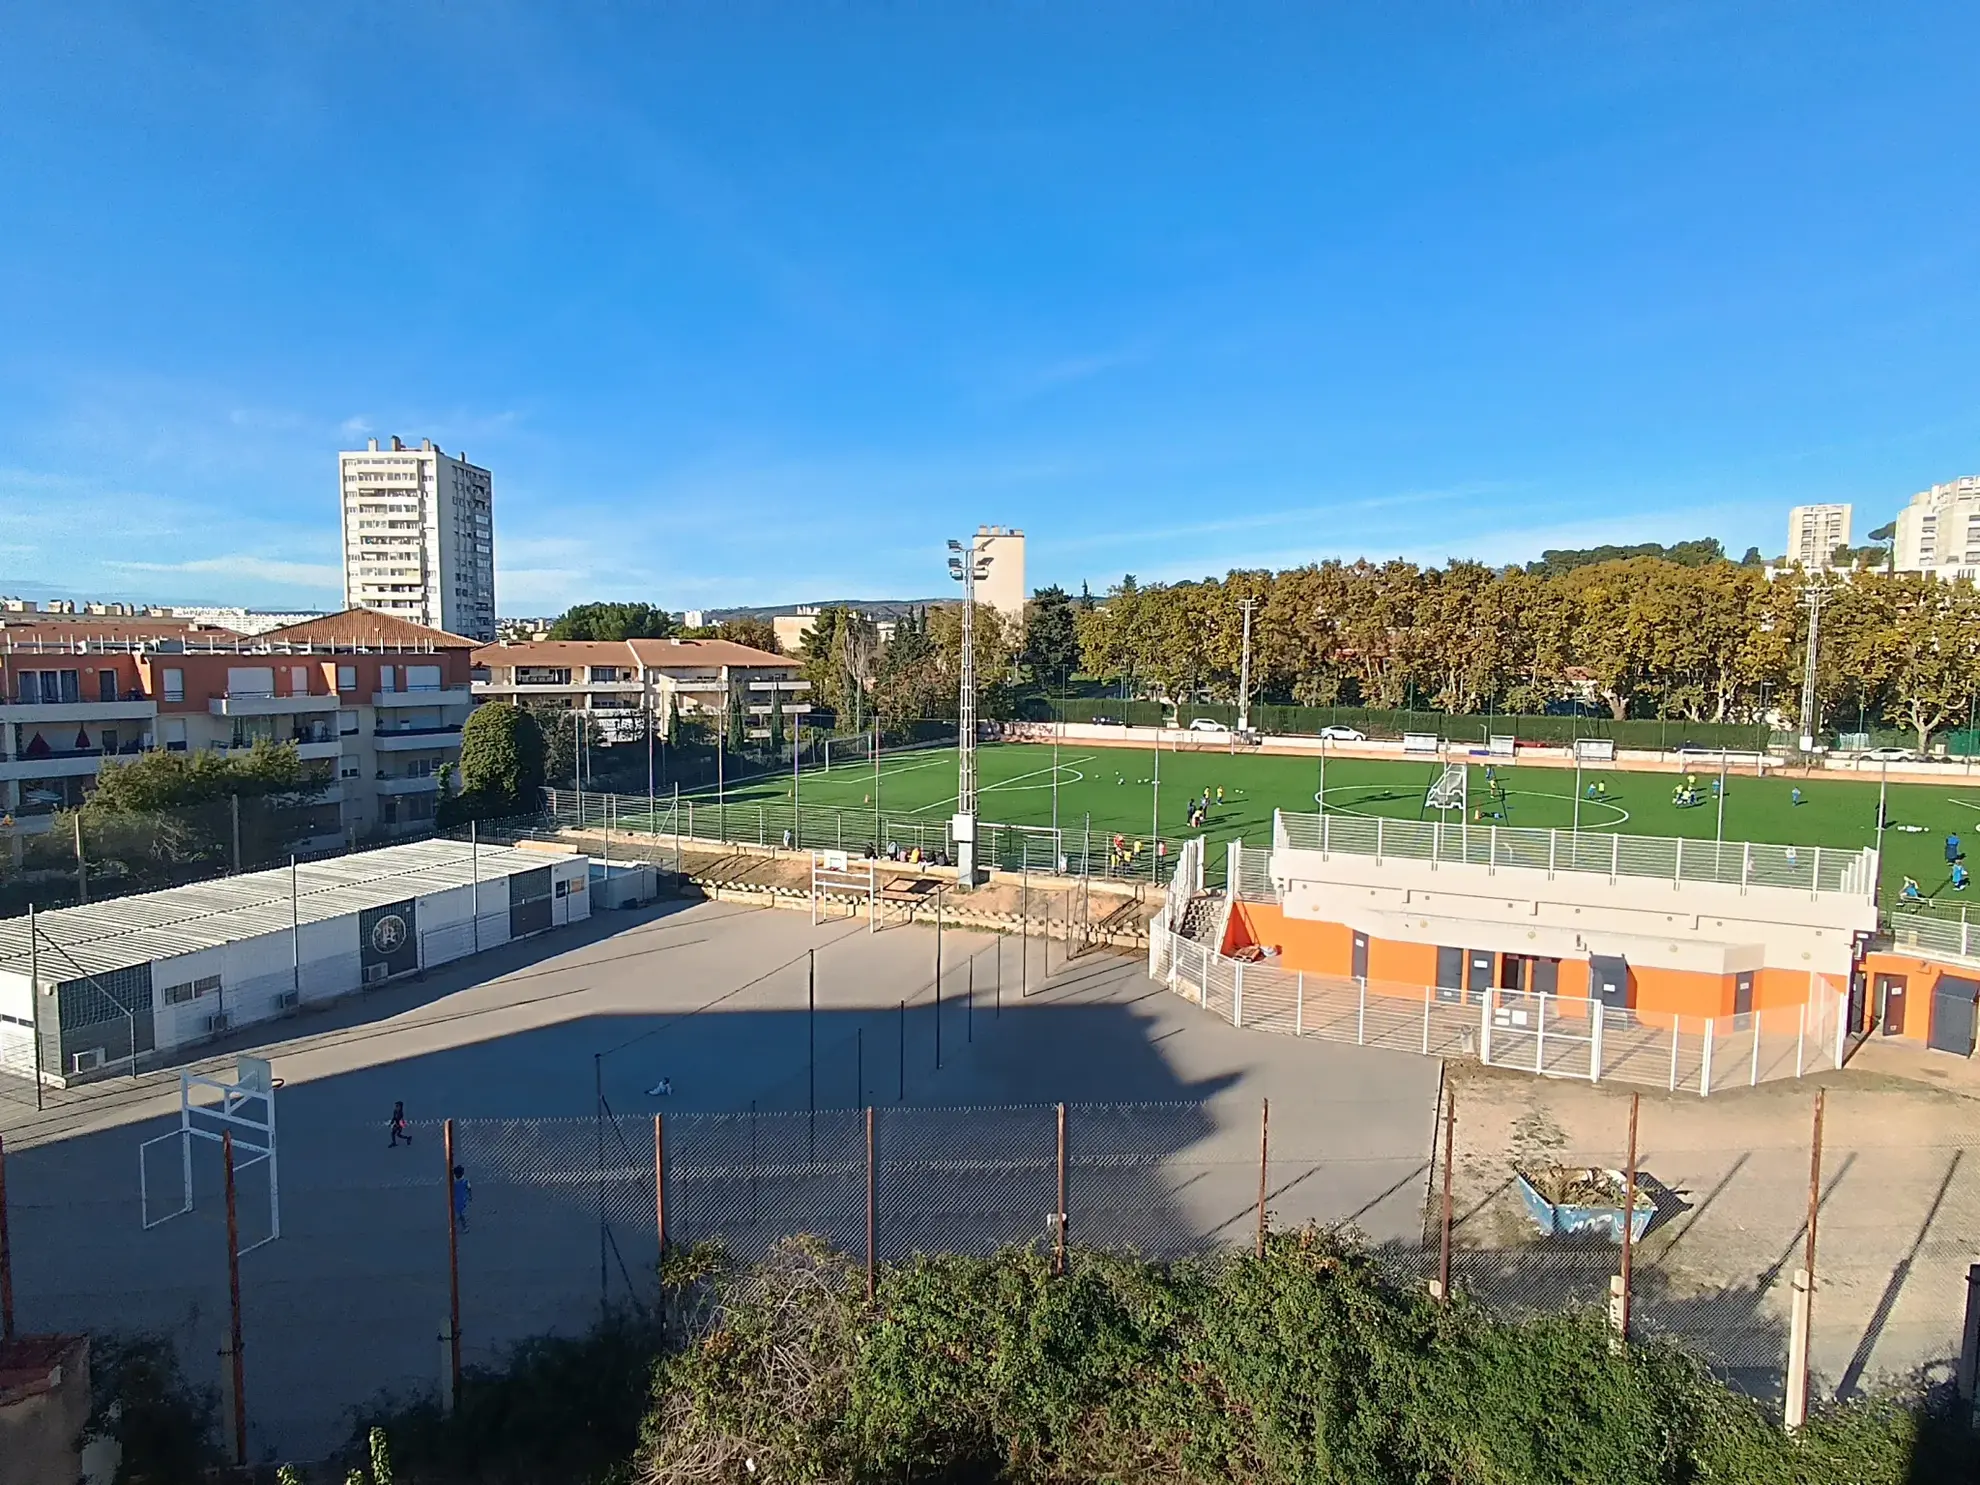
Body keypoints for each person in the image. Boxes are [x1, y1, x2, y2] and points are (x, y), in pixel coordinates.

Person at [451, 1165, 473, 1232]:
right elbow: (469, 1189)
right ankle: (462, 1223)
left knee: (461, 1214)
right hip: (463, 1200)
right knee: (461, 1213)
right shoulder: (466, 1181)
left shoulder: (454, 1183)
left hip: (457, 1201)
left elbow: (452, 1191)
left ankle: (465, 1227)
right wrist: (470, 1196)